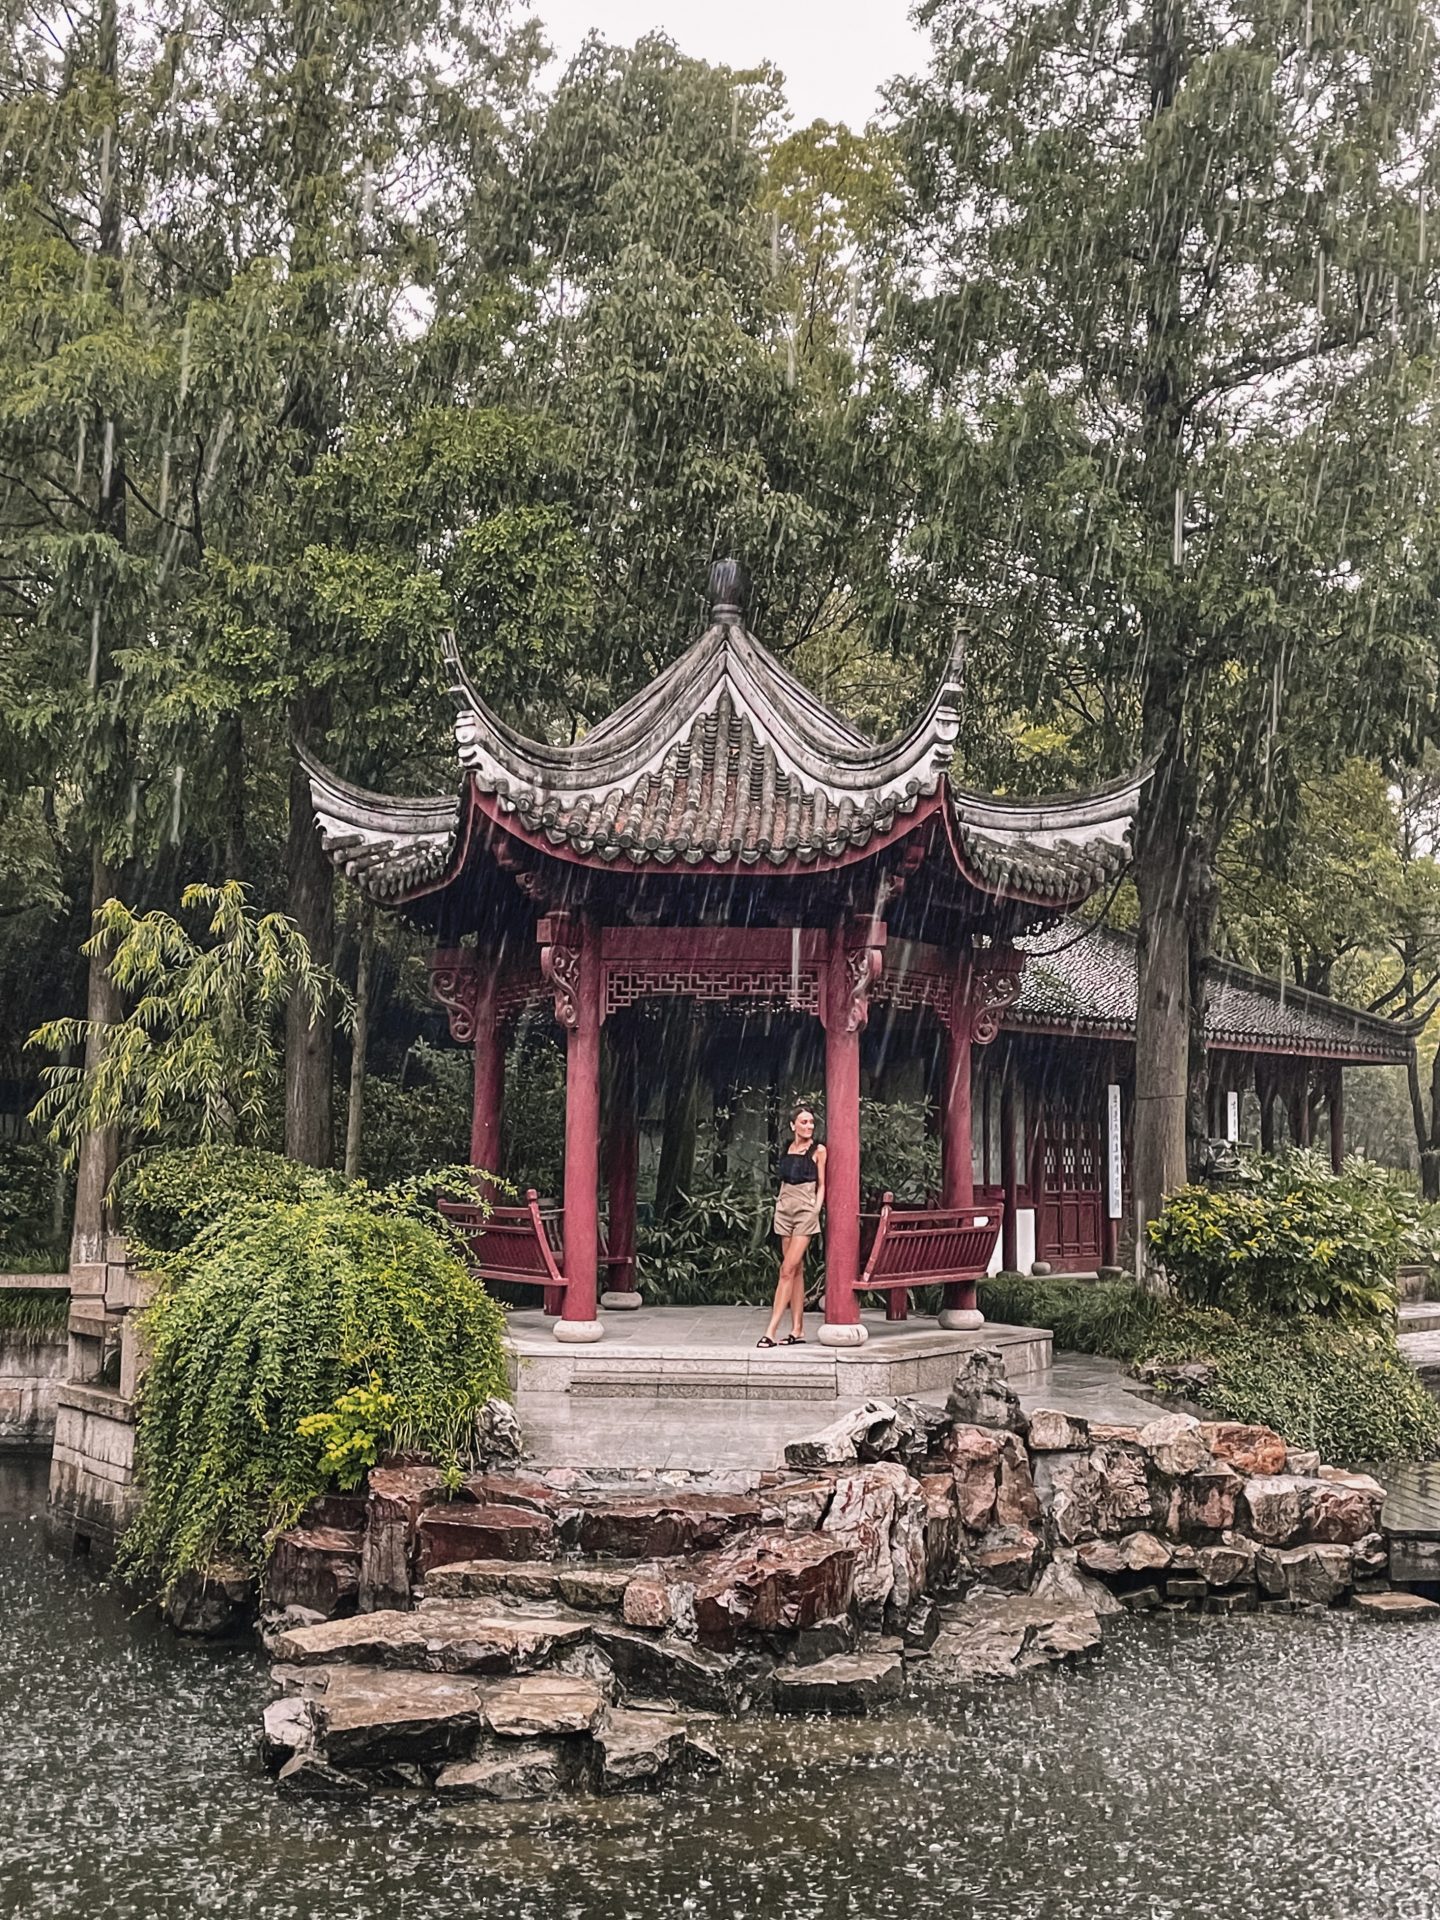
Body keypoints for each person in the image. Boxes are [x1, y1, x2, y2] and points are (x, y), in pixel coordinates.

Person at [758, 1105, 826, 1348]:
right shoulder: (786, 1148)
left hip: (805, 1211)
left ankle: (771, 1329)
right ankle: (797, 1329)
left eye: (811, 1122)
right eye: (804, 1122)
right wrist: (780, 1205)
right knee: (795, 1270)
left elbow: (822, 1184)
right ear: (792, 1125)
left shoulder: (818, 1150)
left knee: (786, 1270)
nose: (808, 1126)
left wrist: (815, 1209)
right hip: (784, 1209)